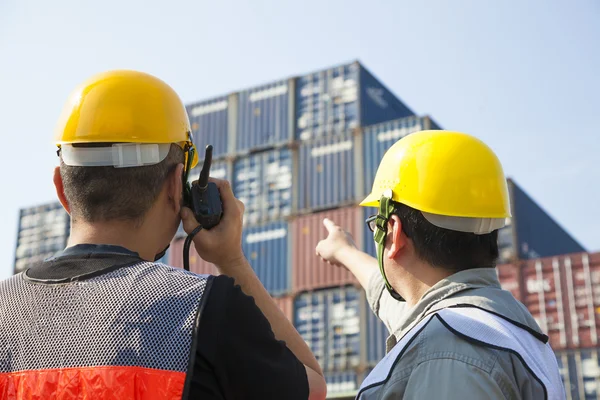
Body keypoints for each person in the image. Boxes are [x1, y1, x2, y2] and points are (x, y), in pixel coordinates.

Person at [0, 70, 327, 400]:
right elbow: (312, 388)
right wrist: (232, 260)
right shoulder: (204, 307)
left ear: (61, 188)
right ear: (176, 187)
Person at [316, 130, 565, 399]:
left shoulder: (445, 351)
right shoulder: (502, 326)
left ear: (393, 231)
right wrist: (344, 251)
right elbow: (397, 304)